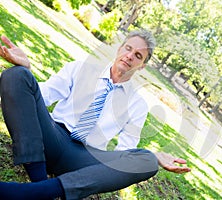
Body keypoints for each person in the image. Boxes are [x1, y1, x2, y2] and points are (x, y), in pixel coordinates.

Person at [0, 30, 191, 200]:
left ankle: (31, 193)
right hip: (50, 137)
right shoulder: (80, 68)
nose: (130, 56)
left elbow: (125, 152)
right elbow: (43, 96)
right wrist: (27, 71)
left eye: (138, 55)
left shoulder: (138, 105)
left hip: (85, 158)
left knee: (147, 161)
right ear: (119, 48)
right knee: (16, 76)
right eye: (128, 48)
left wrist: (152, 155)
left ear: (142, 66)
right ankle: (39, 185)